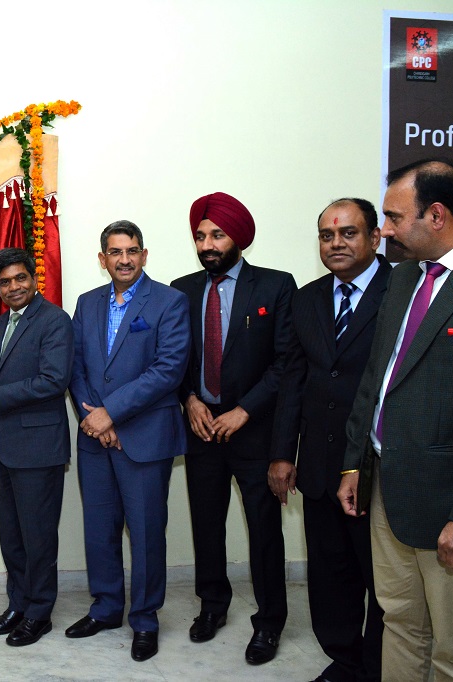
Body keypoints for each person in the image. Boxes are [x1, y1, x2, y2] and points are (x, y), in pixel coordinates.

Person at [339, 159, 453, 682]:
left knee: (451, 643)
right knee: (401, 622)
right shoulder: (405, 278)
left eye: (394, 217)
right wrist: (354, 463)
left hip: (442, 501)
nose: (383, 230)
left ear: (437, 215)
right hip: (385, 484)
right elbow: (376, 378)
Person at [170, 192, 295, 665]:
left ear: (238, 237)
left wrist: (244, 411)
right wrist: (189, 399)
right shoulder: (181, 290)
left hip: (254, 430)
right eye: (200, 236)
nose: (207, 245)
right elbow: (173, 359)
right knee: (206, 524)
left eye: (217, 235)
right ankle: (212, 606)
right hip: (202, 429)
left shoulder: (276, 286)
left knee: (264, 530)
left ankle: (269, 621)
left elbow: (285, 363)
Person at [269, 199, 387, 682]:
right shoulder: (308, 298)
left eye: (348, 233)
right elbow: (293, 379)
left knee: (381, 579)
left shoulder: (402, 290)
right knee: (331, 574)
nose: (336, 243)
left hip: (375, 468)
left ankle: (378, 667)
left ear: (375, 238)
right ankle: (345, 659)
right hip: (318, 463)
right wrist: (282, 453)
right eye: (326, 235)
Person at [66, 221, 189, 662]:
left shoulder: (170, 301)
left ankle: (145, 620)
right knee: (99, 528)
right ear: (103, 259)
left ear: (144, 255)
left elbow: (168, 369)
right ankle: (105, 608)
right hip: (95, 437)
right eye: (115, 252)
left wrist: (111, 413)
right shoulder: (87, 302)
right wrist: (94, 418)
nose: (124, 259)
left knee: (146, 532)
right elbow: (75, 366)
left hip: (145, 437)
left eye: (132, 251)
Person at [0, 247, 73, 647]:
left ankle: (39, 613)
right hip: (5, 446)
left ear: (33, 278)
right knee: (12, 537)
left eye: (20, 278)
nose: (13, 287)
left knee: (38, 538)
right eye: (5, 282)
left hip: (39, 448)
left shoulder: (54, 321)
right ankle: (18, 604)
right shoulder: (0, 324)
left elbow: (53, 380)